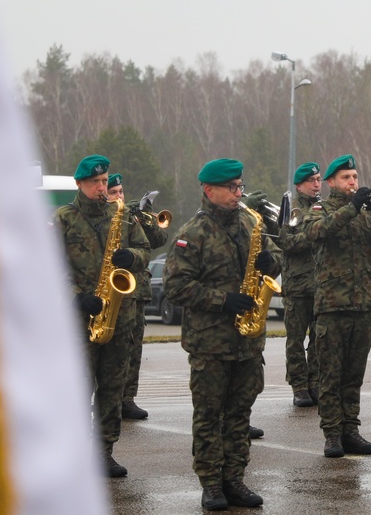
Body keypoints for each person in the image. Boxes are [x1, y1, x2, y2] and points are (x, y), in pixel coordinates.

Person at [163, 158, 282, 511]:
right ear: (208, 189)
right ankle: (211, 483)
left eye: (240, 186)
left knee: (240, 414)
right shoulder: (192, 233)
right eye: (231, 187)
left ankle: (235, 479)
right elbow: (175, 286)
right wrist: (223, 299)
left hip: (247, 342)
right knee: (209, 414)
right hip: (211, 343)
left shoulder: (250, 222)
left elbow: (274, 254)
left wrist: (271, 262)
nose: (238, 193)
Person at [54, 155, 151, 478]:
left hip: (118, 317)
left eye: (104, 181)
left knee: (112, 388)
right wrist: (75, 298)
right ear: (80, 184)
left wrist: (131, 257)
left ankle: (104, 451)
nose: (101, 187)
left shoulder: (121, 215)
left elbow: (145, 250)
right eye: (95, 182)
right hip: (79, 321)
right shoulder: (64, 219)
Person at [302, 154, 371, 458]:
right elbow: (315, 233)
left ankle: (351, 431)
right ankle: (332, 435)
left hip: (363, 306)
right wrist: (352, 207)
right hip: (333, 307)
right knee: (331, 376)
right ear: (331, 182)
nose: (353, 183)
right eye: (346, 178)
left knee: (353, 376)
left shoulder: (368, 212)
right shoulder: (321, 209)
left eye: (355, 177)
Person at [104, 174, 170, 421]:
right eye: (114, 192)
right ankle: (103, 398)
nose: (119, 196)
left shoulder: (131, 217)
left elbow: (158, 241)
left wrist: (146, 215)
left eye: (121, 191)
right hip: (105, 292)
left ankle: (127, 399)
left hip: (135, 292)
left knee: (133, 349)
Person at [276, 162, 323, 407]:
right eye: (312, 180)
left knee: (318, 340)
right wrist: (315, 233)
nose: (317, 184)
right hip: (297, 287)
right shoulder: (290, 208)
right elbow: (286, 242)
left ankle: (314, 383)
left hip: (321, 286)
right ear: (299, 185)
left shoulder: (322, 208)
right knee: (295, 340)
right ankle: (299, 387)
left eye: (318, 179)